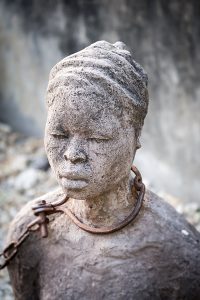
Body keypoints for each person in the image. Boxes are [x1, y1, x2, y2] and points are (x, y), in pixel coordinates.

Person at [5, 41, 200, 300]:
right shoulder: (31, 232)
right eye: (58, 133)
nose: (72, 154)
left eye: (97, 138)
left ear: (136, 135)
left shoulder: (179, 256)